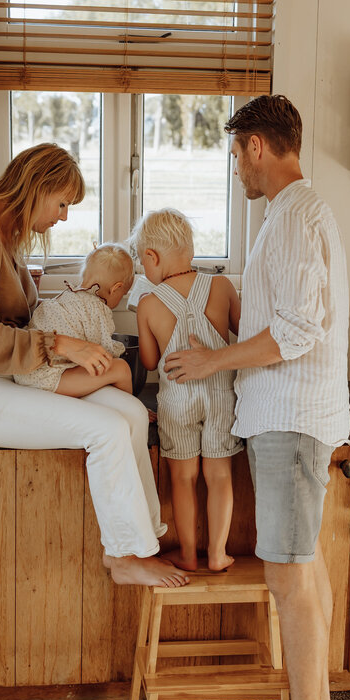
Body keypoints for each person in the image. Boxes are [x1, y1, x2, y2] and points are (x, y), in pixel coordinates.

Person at [163, 95, 350, 700]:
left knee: (289, 578)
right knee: (306, 568)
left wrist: (213, 361)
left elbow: (300, 329)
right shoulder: (288, 216)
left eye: (235, 151)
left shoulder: (298, 215)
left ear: (258, 147)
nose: (235, 165)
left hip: (293, 418)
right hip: (289, 416)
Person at [0, 143, 188, 608]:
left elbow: (15, 322)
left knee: (129, 412)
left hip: (4, 375)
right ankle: (123, 556)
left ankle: (147, 536)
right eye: (62, 203)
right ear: (37, 187)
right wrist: (63, 344)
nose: (64, 217)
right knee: (103, 429)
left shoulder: (3, 239)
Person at [131, 208, 242, 572]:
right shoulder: (222, 287)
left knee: (183, 477)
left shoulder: (148, 303)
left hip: (177, 400)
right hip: (222, 394)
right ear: (190, 250)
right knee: (219, 475)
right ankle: (218, 553)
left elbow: (149, 362)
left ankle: (190, 555)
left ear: (152, 257)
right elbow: (245, 330)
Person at [15, 244, 135, 398]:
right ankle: (130, 404)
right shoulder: (97, 308)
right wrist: (119, 349)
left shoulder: (65, 296)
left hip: (23, 371)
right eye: (123, 293)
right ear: (115, 288)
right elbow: (102, 353)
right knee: (121, 368)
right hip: (48, 378)